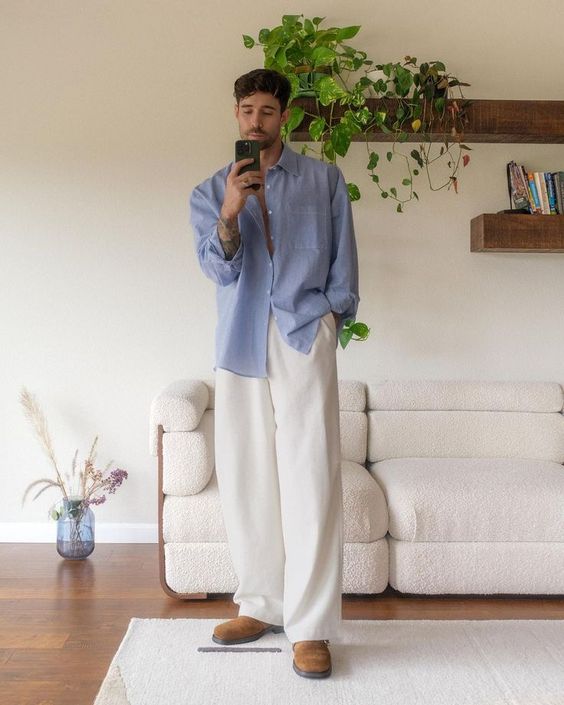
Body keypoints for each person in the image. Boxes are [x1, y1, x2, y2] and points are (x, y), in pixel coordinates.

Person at [189, 68, 359, 679]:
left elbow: (344, 263)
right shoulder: (211, 191)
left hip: (302, 333)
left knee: (310, 475)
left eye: (267, 110)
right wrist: (232, 211)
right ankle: (262, 604)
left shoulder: (324, 180)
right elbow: (219, 269)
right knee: (246, 476)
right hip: (239, 342)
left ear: (283, 116)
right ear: (236, 115)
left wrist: (331, 319)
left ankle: (311, 626)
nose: (256, 121)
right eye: (246, 110)